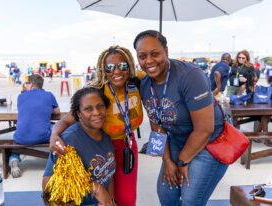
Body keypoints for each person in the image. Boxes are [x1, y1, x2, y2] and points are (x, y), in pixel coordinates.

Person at [133, 30, 227, 206]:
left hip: (209, 143)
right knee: (166, 193)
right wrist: (167, 160)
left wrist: (183, 161)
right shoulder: (145, 85)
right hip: (177, 139)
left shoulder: (190, 75)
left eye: (155, 54)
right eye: (142, 56)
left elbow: (205, 129)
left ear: (166, 51)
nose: (149, 61)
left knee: (191, 199)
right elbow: (156, 125)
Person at [50, 45, 143, 206]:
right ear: (102, 70)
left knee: (127, 199)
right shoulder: (98, 90)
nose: (117, 71)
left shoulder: (137, 83)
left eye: (122, 65)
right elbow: (67, 119)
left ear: (129, 65)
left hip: (127, 144)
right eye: (110, 67)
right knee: (103, 196)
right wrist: (54, 135)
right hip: (101, 147)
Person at [43, 87, 116, 206]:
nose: (97, 112)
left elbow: (109, 174)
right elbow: (47, 187)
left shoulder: (105, 136)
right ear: (78, 113)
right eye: (88, 109)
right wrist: (94, 187)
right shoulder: (69, 141)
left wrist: (111, 201)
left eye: (100, 106)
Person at [9, 74, 60, 178]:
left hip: (20, 138)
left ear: (31, 84)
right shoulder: (49, 95)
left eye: (27, 83)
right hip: (42, 137)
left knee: (19, 132)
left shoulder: (21, 96)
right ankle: (58, 159)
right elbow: (57, 111)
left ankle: (13, 159)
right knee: (55, 127)